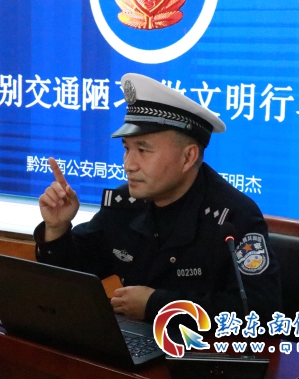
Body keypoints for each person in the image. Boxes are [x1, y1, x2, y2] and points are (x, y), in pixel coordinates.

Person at [33, 73, 282, 324]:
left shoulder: (232, 216)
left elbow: (260, 311)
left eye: (143, 150)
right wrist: (57, 228)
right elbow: (72, 275)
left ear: (187, 157)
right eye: (127, 148)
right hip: (132, 343)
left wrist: (159, 306)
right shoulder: (125, 204)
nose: (129, 164)